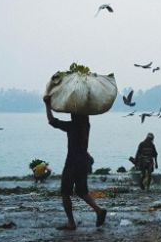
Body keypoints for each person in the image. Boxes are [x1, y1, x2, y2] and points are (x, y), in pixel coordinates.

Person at [44, 95, 106, 230]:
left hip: (73, 162)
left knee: (65, 192)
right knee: (82, 191)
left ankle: (71, 222)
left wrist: (48, 105)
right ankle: (98, 210)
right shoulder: (86, 126)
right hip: (84, 161)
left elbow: (52, 121)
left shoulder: (71, 126)